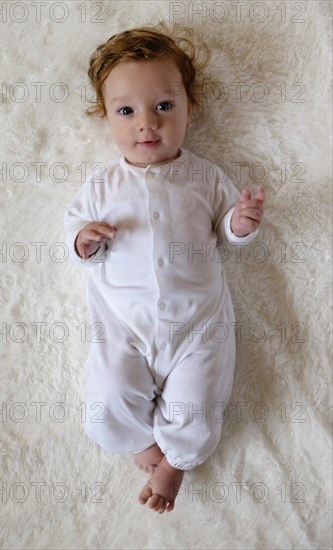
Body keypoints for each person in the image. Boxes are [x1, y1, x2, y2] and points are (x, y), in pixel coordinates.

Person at [64, 23, 265, 514]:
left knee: (198, 407)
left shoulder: (204, 175)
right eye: (126, 111)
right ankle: (141, 447)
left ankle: (175, 462)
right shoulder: (102, 184)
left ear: (190, 112)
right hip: (124, 325)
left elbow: (228, 232)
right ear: (106, 118)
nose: (146, 124)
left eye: (164, 107)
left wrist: (240, 222)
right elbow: (73, 232)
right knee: (106, 402)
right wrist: (82, 238)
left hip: (197, 325)